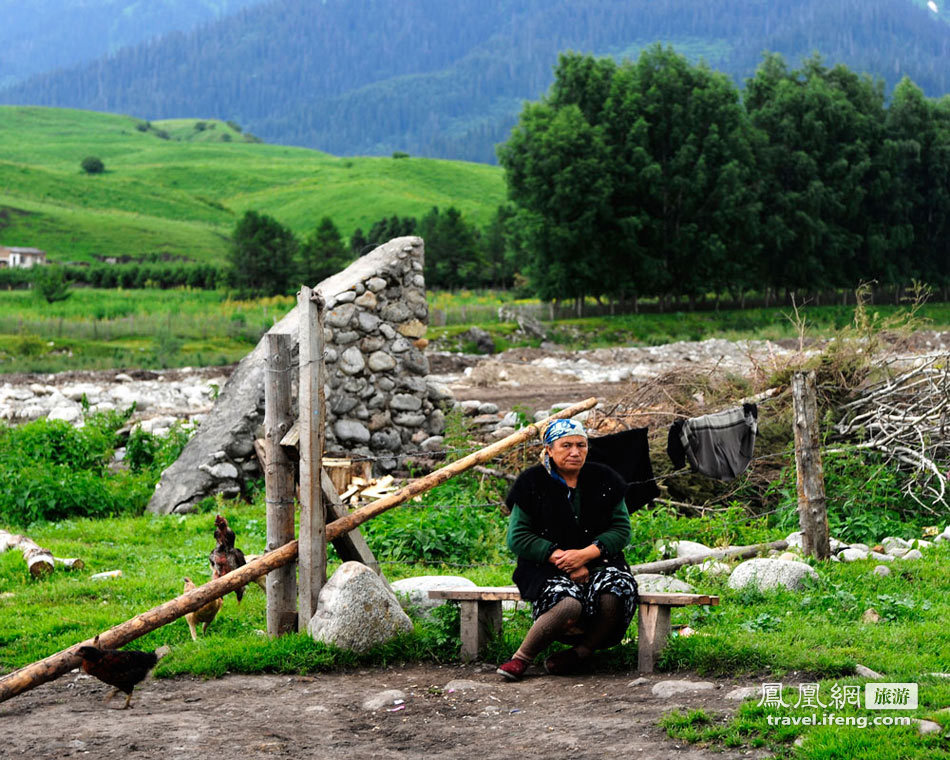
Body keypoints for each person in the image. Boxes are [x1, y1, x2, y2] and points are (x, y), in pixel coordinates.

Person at [496, 418, 638, 680]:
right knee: (568, 605)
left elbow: (621, 530)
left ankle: (581, 653)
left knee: (614, 593)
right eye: (566, 445)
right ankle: (521, 659)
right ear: (549, 449)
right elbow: (517, 537)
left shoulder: (604, 479)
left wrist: (585, 555)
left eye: (581, 445)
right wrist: (561, 558)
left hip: (599, 560)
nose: (575, 452)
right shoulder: (532, 483)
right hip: (545, 565)